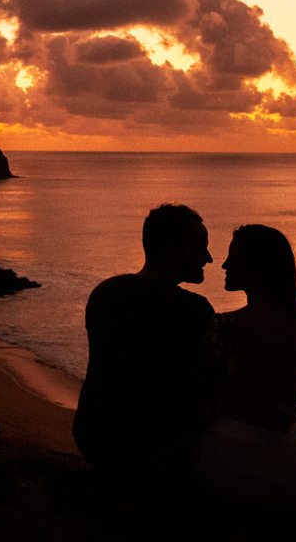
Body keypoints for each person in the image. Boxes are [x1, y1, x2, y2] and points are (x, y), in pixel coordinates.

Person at [192, 224, 296, 515]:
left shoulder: (226, 326)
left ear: (257, 267)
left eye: (233, 257)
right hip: (293, 455)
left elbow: (202, 393)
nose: (224, 264)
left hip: (234, 453)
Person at [72, 203, 216, 483]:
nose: (208, 258)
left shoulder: (105, 292)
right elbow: (203, 387)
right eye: (200, 248)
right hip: (154, 446)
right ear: (173, 251)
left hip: (93, 435)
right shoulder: (195, 311)